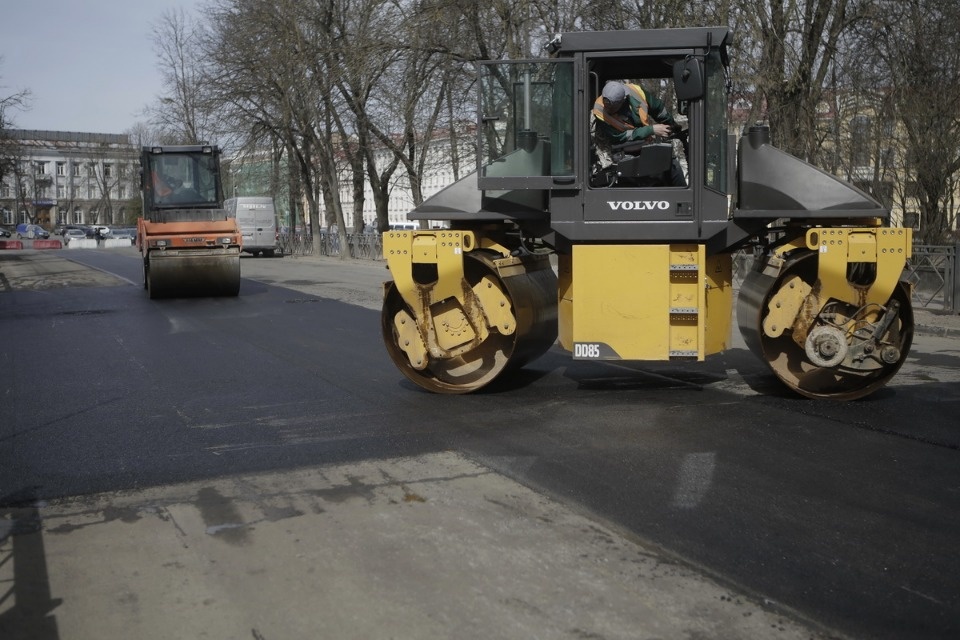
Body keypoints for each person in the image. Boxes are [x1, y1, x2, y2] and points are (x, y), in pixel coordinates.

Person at [590, 81, 686, 187]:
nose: (608, 110)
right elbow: (619, 137)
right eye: (607, 105)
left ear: (624, 99)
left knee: (672, 164)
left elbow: (658, 109)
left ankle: (684, 199)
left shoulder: (637, 93)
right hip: (623, 149)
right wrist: (651, 130)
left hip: (644, 144)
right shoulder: (600, 111)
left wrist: (671, 124)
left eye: (613, 107)